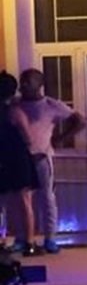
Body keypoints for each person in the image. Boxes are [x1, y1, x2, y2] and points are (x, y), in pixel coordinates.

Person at [12, 68, 83, 254]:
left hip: (42, 157)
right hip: (20, 159)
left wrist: (60, 138)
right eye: (22, 81)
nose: (24, 85)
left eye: (28, 81)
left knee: (47, 198)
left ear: (39, 84)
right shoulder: (16, 105)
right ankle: (23, 237)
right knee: (22, 201)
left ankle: (50, 238)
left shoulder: (51, 105)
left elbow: (80, 120)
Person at [0, 73, 39, 252]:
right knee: (25, 200)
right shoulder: (15, 112)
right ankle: (29, 242)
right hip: (19, 158)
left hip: (3, 158)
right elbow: (28, 137)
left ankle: (1, 239)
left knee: (2, 202)